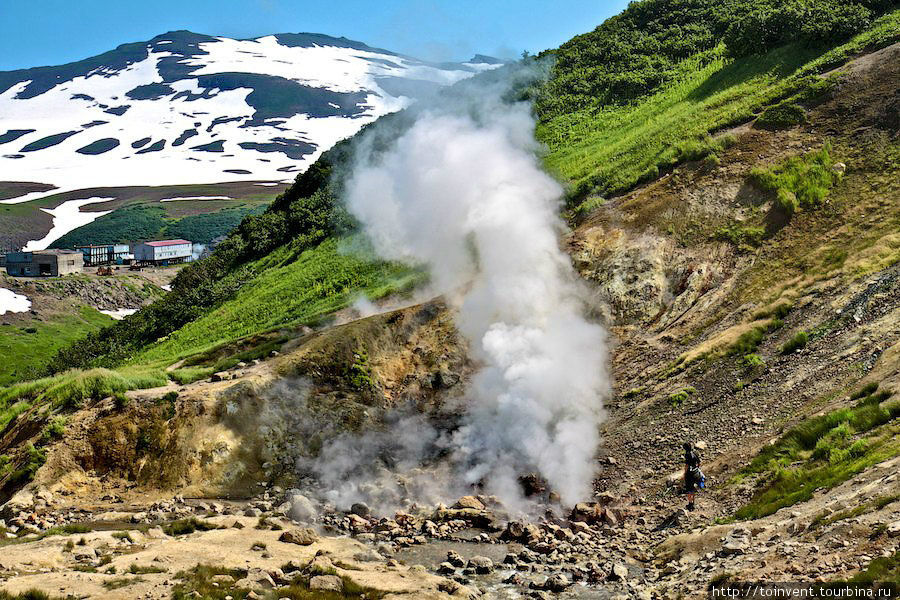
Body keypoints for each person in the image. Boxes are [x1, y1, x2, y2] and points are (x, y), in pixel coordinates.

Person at [683, 442, 702, 511]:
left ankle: (690, 504)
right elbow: (699, 462)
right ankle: (693, 502)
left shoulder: (687, 455)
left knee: (689, 489)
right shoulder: (695, 453)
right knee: (693, 488)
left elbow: (687, 465)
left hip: (689, 474)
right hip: (695, 472)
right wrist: (697, 468)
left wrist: (685, 473)